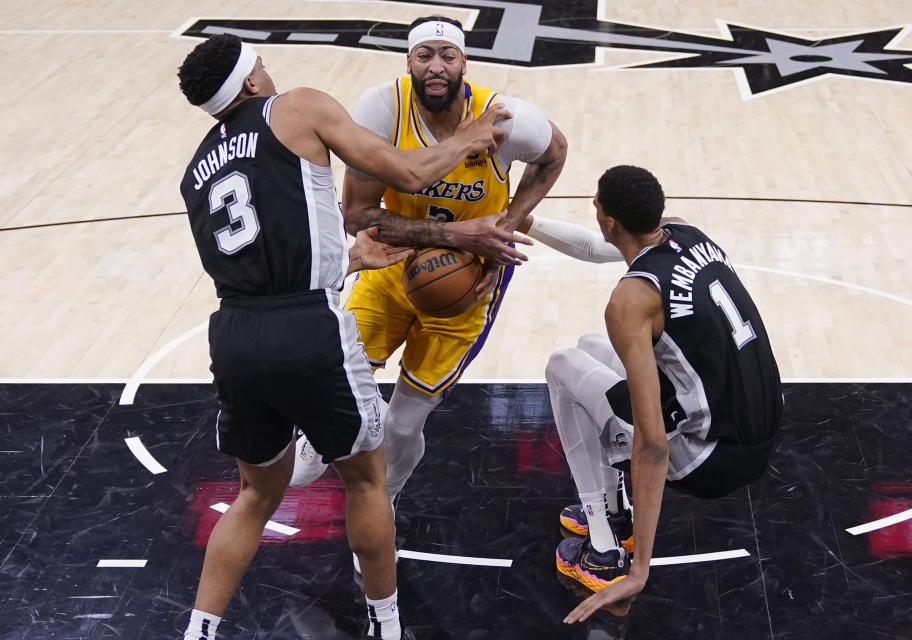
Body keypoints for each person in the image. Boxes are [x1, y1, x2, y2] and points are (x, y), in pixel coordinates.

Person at [176, 33, 509, 640]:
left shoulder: (195, 171)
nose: (271, 74)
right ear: (251, 81)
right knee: (366, 479)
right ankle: (385, 624)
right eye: (263, 66)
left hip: (232, 334)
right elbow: (407, 168)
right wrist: (471, 134)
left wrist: (348, 260)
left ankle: (198, 630)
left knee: (254, 495)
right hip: (308, 327)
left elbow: (255, 258)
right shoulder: (297, 106)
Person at [291, 16, 568, 510]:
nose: (436, 67)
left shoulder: (506, 119)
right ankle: (322, 433)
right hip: (389, 265)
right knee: (337, 381)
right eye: (425, 56)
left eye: (447, 55)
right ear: (409, 63)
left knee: (403, 422)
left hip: (466, 283)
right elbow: (357, 214)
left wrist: (505, 225)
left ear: (465, 62)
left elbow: (555, 153)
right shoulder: (381, 109)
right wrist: (456, 233)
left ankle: (386, 499)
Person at [532, 165, 783, 623]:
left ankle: (606, 548)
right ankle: (614, 513)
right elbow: (594, 249)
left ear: (608, 221)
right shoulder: (687, 232)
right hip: (760, 430)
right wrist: (523, 222)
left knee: (562, 365)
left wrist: (639, 570)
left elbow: (651, 446)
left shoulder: (630, 301)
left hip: (709, 460)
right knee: (591, 347)